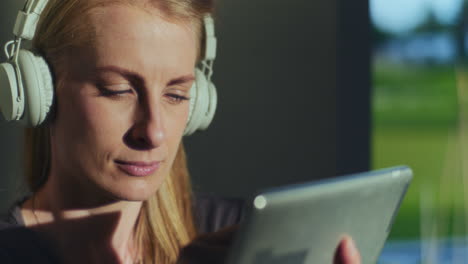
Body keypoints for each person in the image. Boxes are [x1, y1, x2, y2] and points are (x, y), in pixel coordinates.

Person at [0, 0, 362, 263]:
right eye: (117, 89)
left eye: (176, 94)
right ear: (39, 91)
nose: (154, 132)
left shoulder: (244, 236)